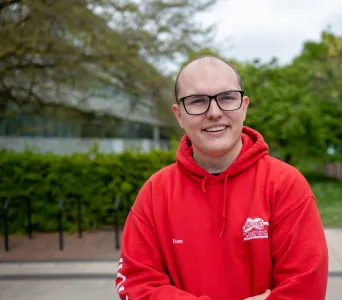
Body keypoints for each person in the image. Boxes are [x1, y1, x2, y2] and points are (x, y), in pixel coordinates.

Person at [115, 55, 329, 300]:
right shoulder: (155, 192)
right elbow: (136, 284)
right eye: (197, 101)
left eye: (227, 98)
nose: (214, 112)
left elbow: (305, 289)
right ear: (179, 115)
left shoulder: (285, 185)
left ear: (244, 106)